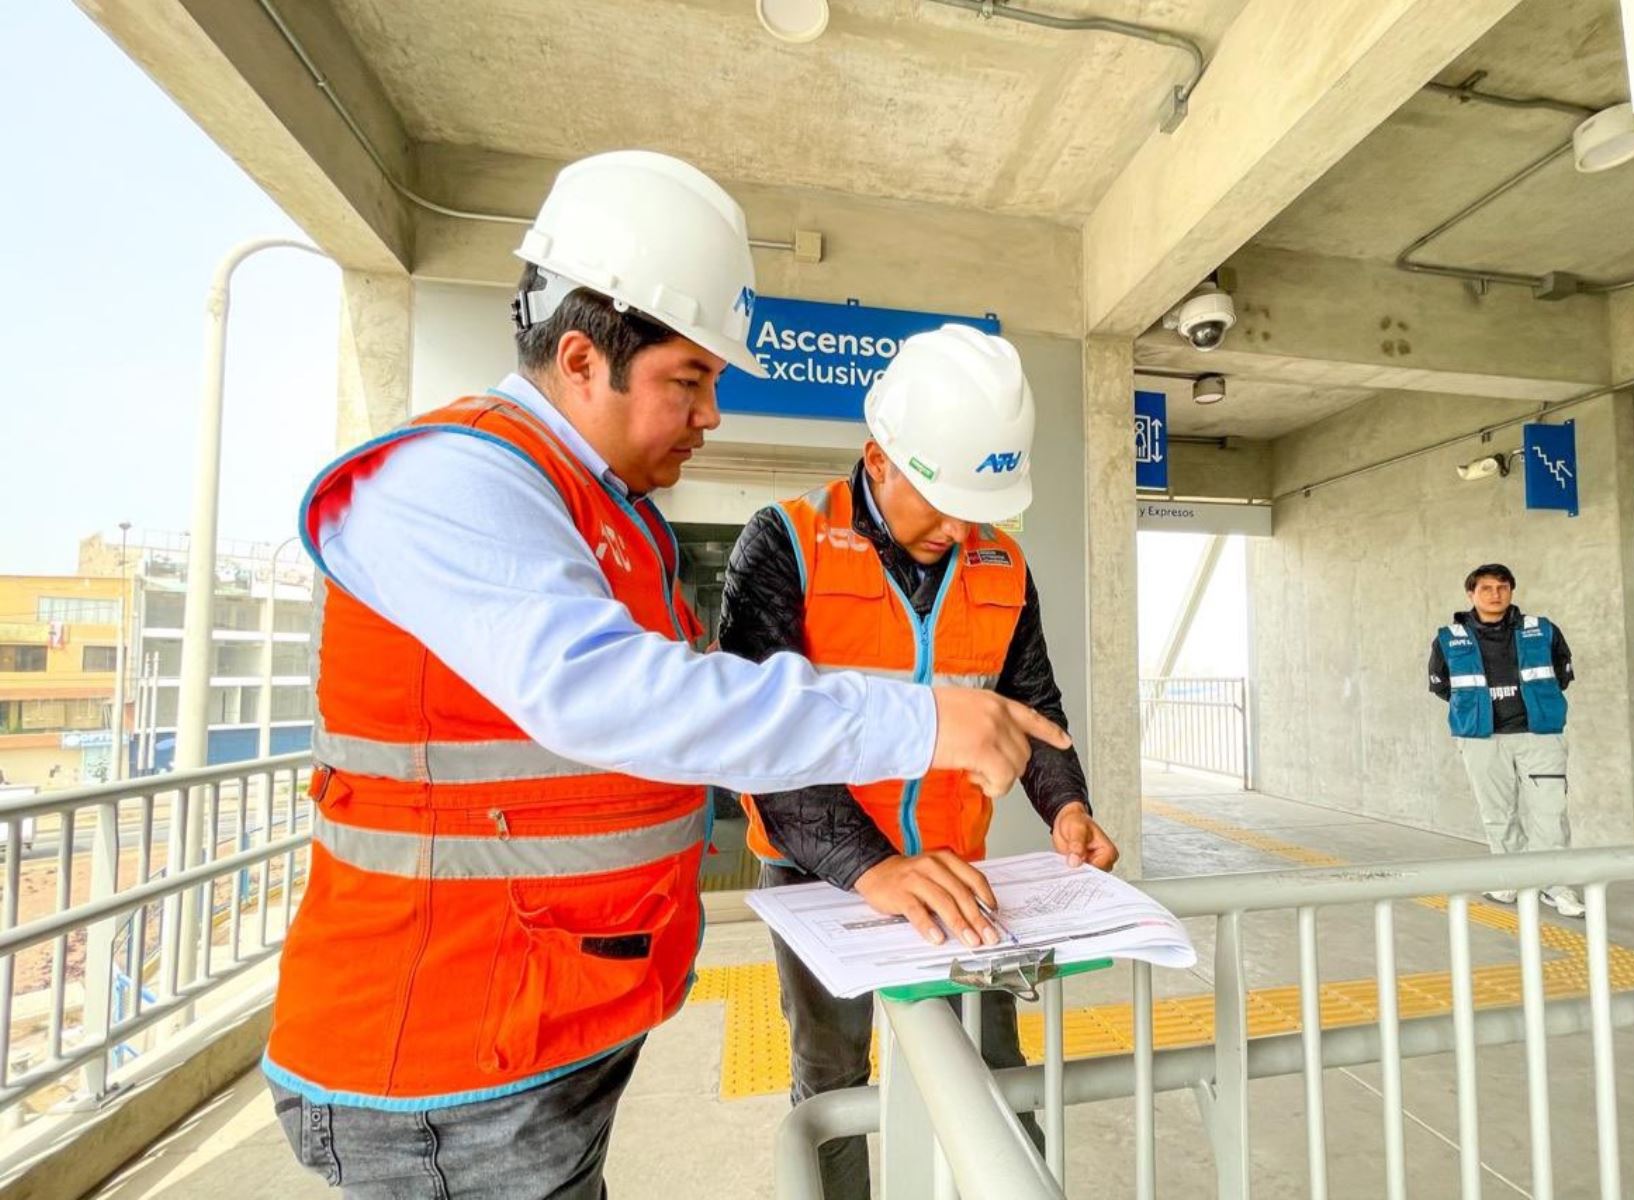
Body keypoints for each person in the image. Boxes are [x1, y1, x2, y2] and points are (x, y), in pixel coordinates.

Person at [262, 151, 1068, 1199]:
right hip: (445, 1059)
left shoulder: (608, 519)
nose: (712, 415)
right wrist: (923, 723)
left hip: (540, 1032)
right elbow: (620, 695)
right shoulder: (450, 483)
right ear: (587, 359)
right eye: (689, 381)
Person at [719, 324, 1118, 1198]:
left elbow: (1035, 711)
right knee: (831, 1073)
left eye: (979, 505)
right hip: (816, 869)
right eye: (939, 501)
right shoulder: (785, 542)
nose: (956, 526)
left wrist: (1067, 808)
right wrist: (875, 868)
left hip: (956, 867)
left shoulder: (1000, 562)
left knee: (995, 1067)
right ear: (879, 458)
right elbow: (763, 745)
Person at [1428, 563, 1580, 916]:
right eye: (1486, 589)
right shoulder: (1449, 638)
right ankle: (1510, 878)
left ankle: (1553, 884)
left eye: (1501, 587)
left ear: (1511, 590)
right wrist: (1476, 710)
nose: (1494, 595)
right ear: (1471, 594)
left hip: (1539, 734)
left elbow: (1563, 673)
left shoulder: (1542, 630)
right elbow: (1441, 684)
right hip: (1482, 737)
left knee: (1550, 813)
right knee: (1497, 814)